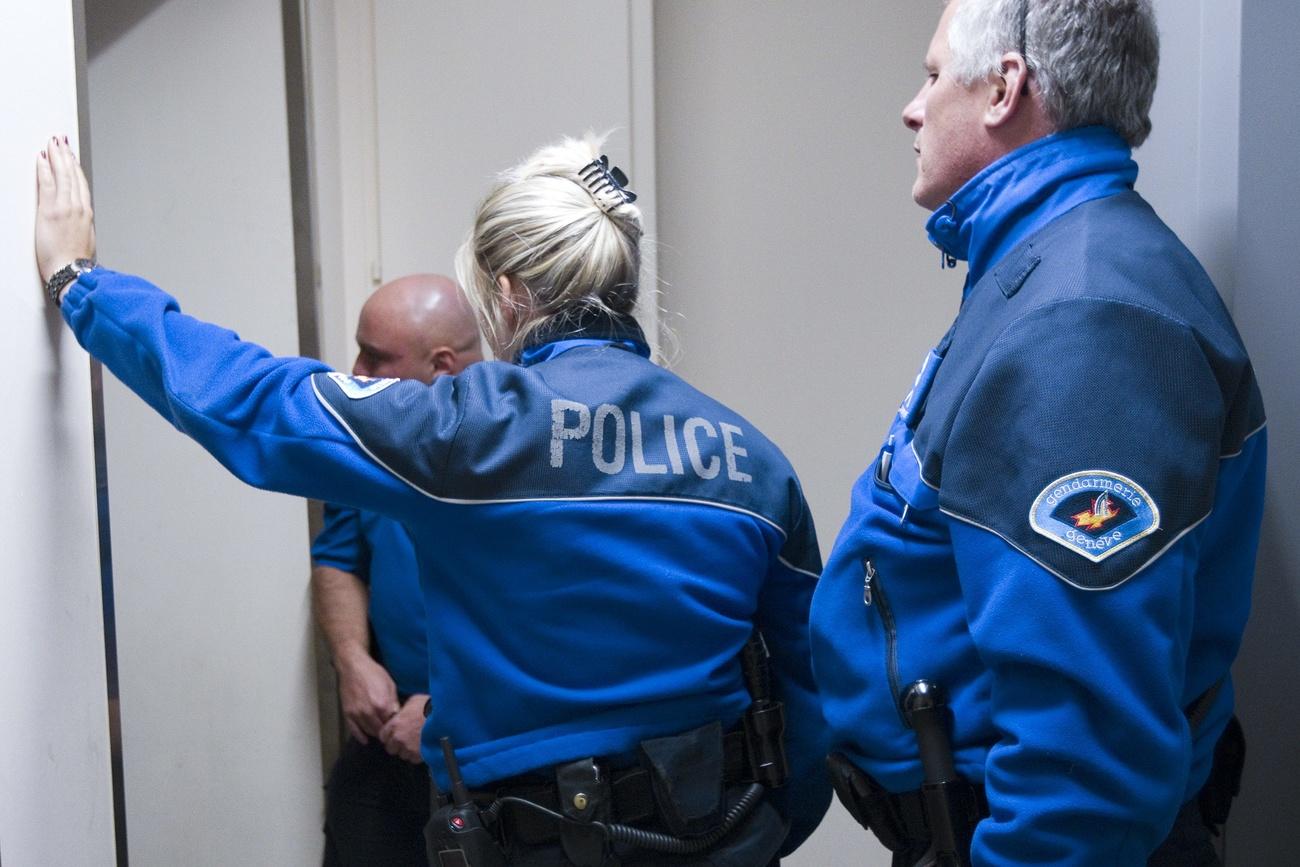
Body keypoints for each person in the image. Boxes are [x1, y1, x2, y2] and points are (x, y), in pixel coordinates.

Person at [35, 133, 830, 865]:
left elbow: (245, 397)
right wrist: (762, 832)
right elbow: (812, 689)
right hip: (726, 831)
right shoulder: (750, 459)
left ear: (510, 294)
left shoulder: (467, 430)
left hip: (536, 839)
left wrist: (81, 283)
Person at [810, 1, 1266, 865]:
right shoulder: (1049, 268)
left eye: (935, 74)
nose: (914, 105)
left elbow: (1088, 767)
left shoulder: (1086, 314)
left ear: (1004, 89)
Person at [312, 274, 482, 865]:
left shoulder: (516, 452)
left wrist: (445, 705)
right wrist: (353, 661)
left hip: (488, 743)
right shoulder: (362, 447)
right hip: (384, 736)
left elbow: (551, 615)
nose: (354, 371)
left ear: (441, 365)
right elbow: (337, 559)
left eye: (375, 357)